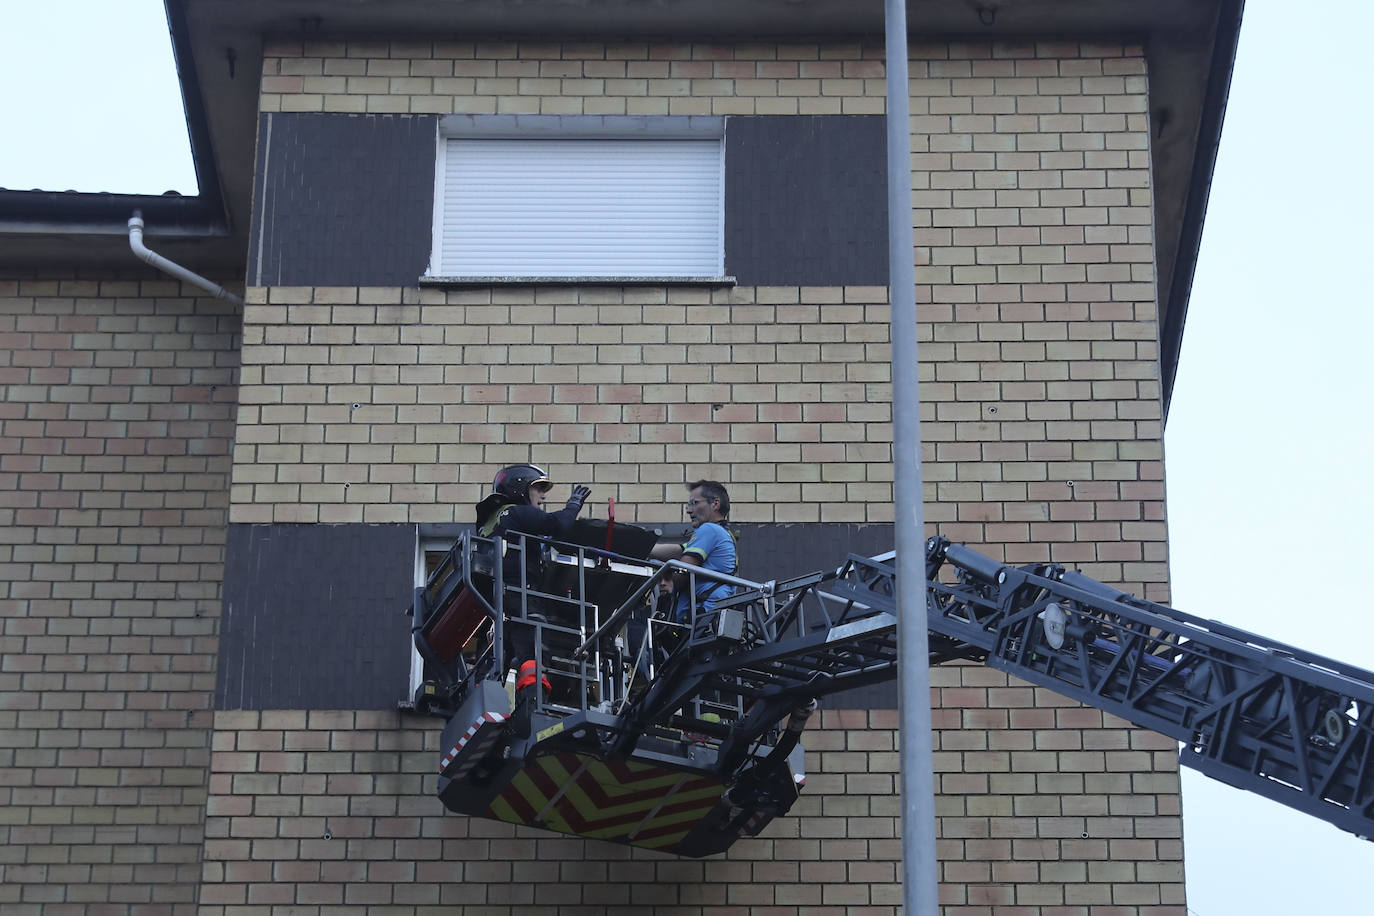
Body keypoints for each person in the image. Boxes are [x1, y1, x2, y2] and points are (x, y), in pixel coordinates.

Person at [474, 463, 590, 731]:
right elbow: (556, 524)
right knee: (534, 646)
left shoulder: (492, 521)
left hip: (499, 598)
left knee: (499, 654)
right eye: (538, 488)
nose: (543, 495)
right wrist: (573, 506)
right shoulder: (515, 512)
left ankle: (485, 703)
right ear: (520, 489)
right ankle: (533, 704)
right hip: (520, 592)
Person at [651, 479, 737, 624]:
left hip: (702, 618)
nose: (689, 510)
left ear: (715, 503)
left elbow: (682, 573)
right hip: (711, 616)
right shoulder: (719, 533)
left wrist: (666, 581)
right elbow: (679, 551)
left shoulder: (709, 529)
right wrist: (644, 548)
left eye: (694, 503)